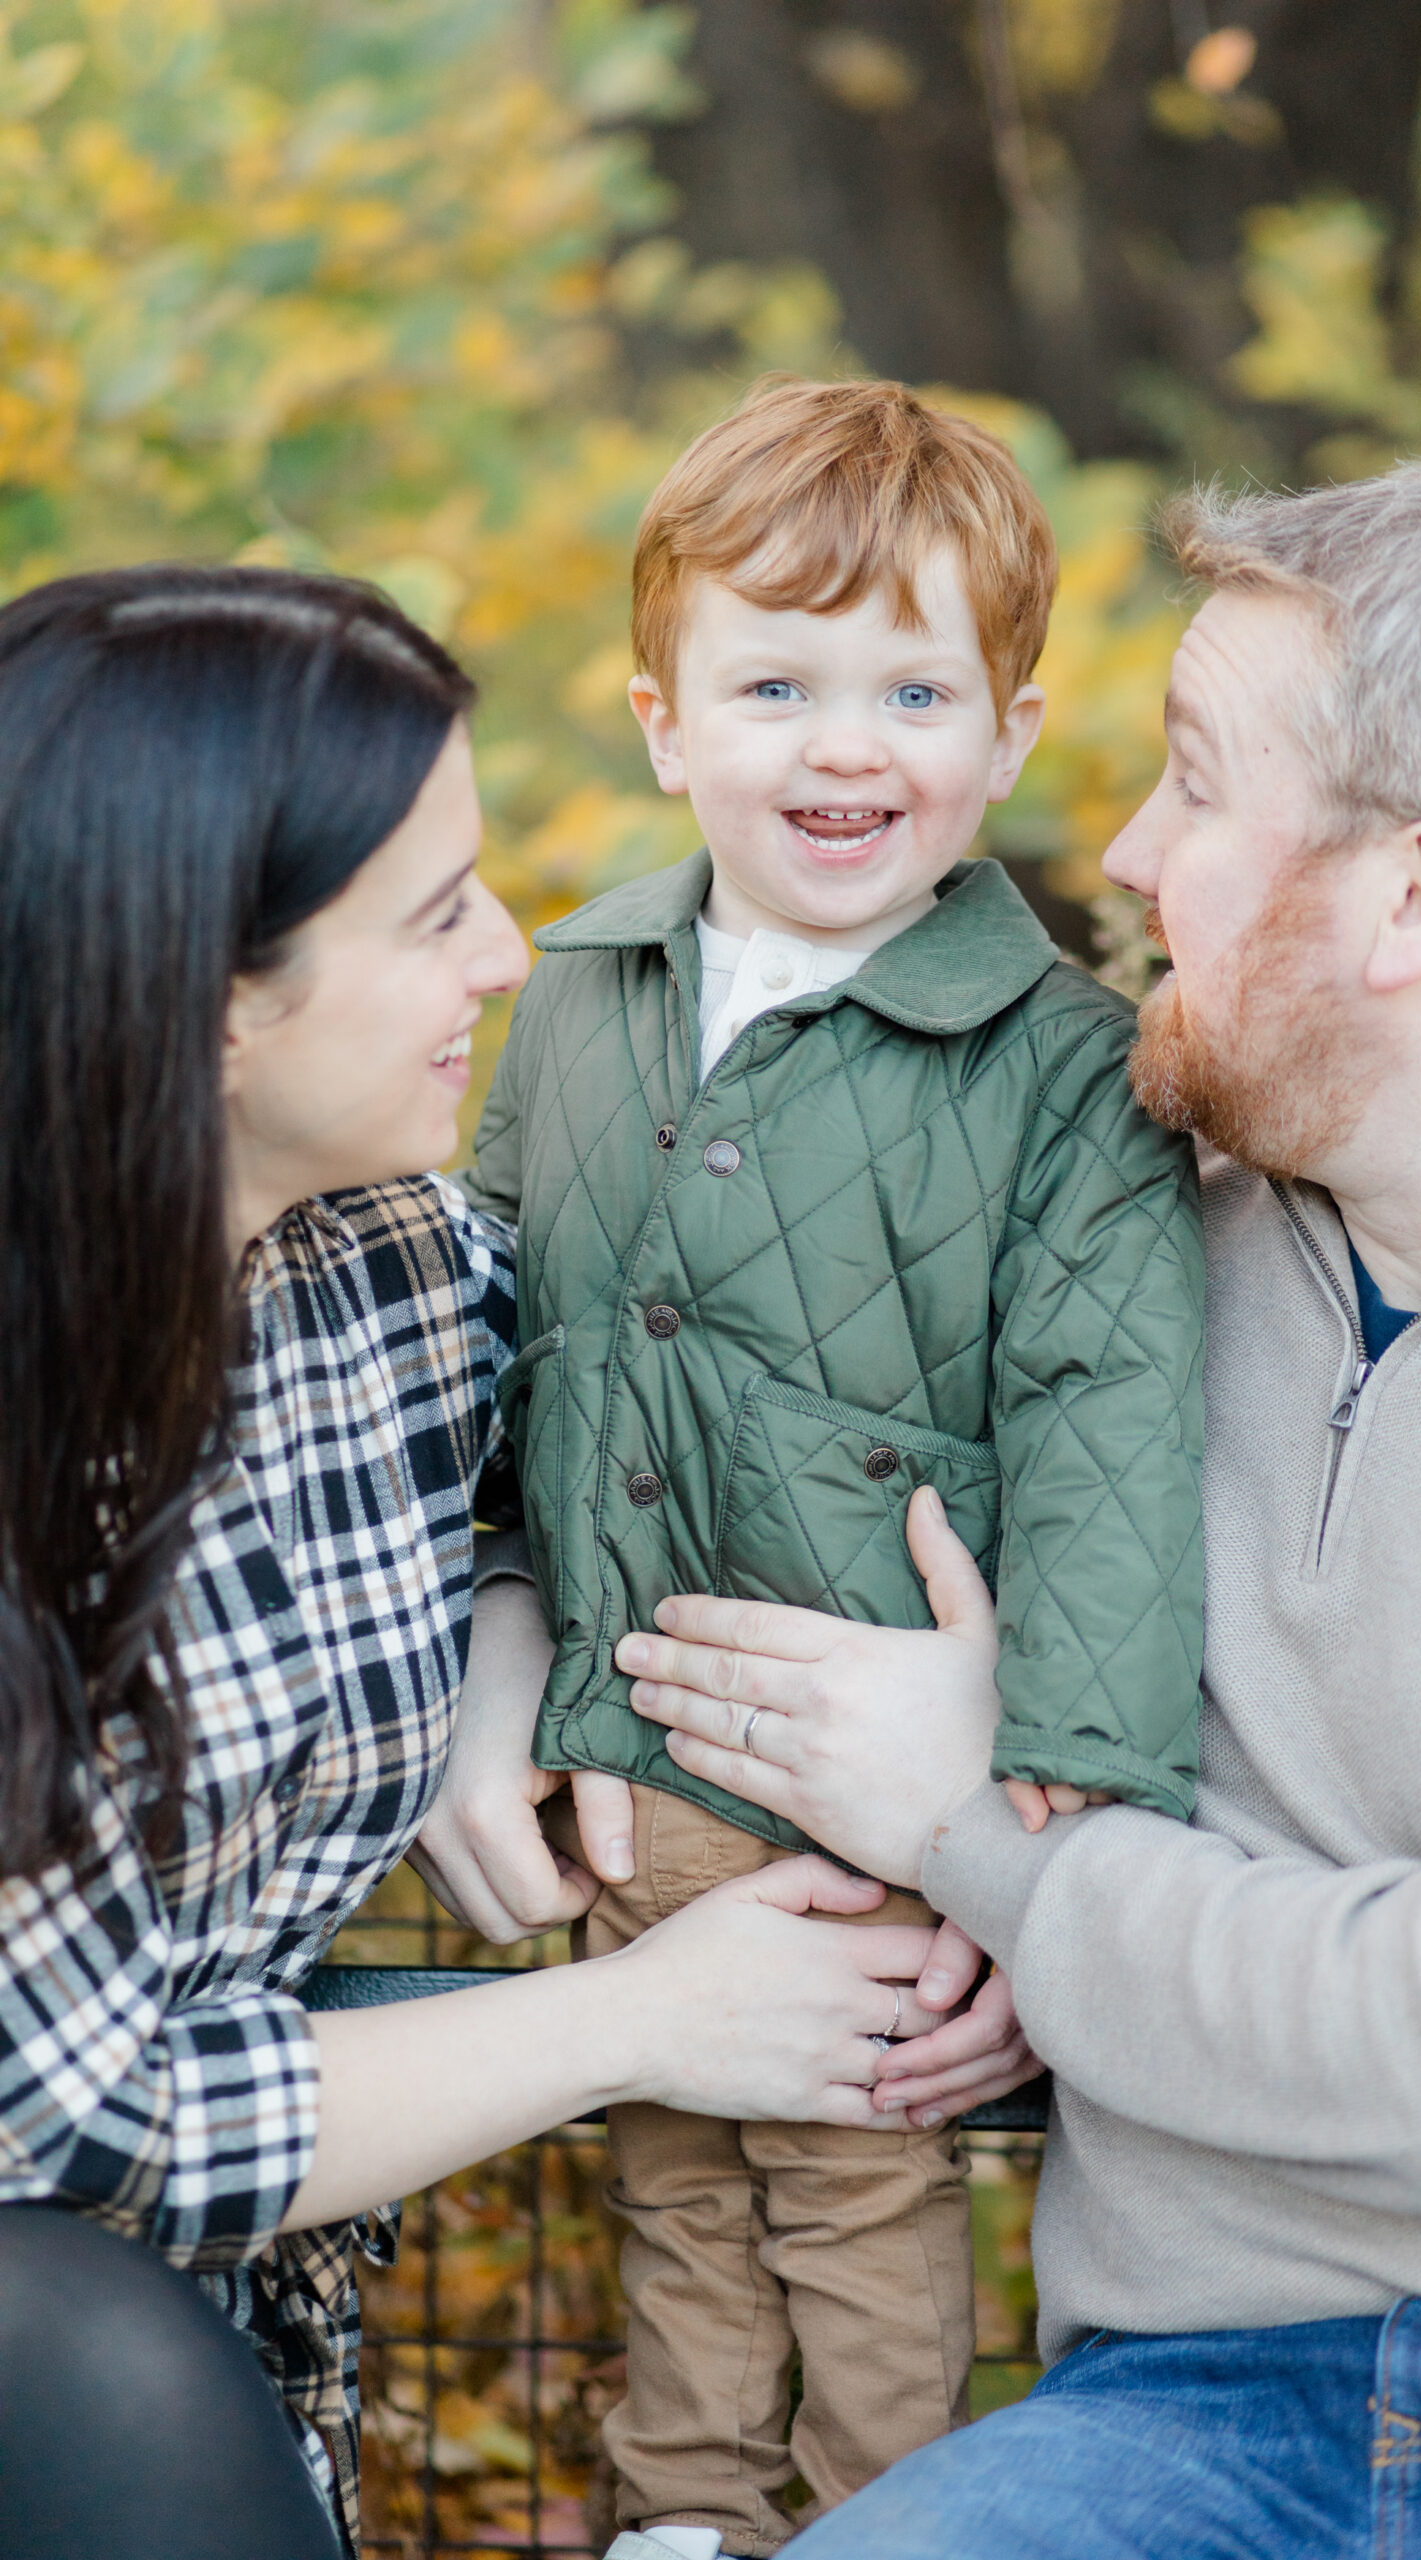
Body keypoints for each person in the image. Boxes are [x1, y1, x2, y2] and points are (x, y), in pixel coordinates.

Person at [571, 452, 1421, 2556]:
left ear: (1419, 901)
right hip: (1177, 2405)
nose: (1118, 850)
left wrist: (979, 1838)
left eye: (1194, 787)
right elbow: (649, 1430)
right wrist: (487, 1649)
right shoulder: (1095, 1231)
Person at [0, 562, 962, 2560]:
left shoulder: (396, 1264)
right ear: (206, 991)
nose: (512, 954)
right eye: (438, 912)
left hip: (218, 2346)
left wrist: (501, 1629)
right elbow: (57, 2114)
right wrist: (640, 2019)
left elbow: (583, 1458)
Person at [458, 374, 1206, 2558]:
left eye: (911, 687)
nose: (843, 743)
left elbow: (1109, 1406)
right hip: (638, 1740)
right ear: (664, 719)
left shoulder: (1057, 1066)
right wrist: (497, 1638)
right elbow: (492, 1327)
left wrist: (1059, 1771)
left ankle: (873, 2516)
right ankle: (684, 2517)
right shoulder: (583, 992)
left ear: (1008, 731)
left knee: (860, 2188)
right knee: (677, 2168)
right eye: (774, 682)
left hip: (874, 1766)